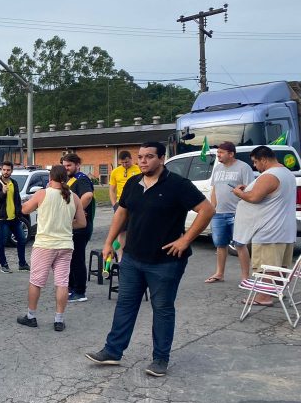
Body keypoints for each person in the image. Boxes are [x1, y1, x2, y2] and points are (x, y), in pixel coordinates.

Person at [86, 141, 214, 377]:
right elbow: (122, 213)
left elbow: (207, 210)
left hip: (166, 262)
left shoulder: (178, 185)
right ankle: (113, 351)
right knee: (125, 305)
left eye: (149, 157)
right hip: (133, 257)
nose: (143, 161)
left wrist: (185, 240)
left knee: (162, 309)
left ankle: (160, 359)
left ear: (162, 159)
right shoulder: (134, 183)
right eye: (140, 157)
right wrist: (108, 243)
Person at [17, 165, 86, 331]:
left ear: (50, 178)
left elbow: (24, 209)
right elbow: (82, 223)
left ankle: (31, 316)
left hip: (45, 245)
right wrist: (67, 224)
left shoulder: (42, 193)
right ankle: (59, 320)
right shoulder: (74, 197)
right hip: (65, 245)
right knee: (62, 282)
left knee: (36, 282)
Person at [233, 145, 297, 306]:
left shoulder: (270, 175)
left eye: (255, 162)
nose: (255, 166)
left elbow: (254, 197)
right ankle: (276, 292)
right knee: (279, 264)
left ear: (264, 159)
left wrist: (239, 193)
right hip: (284, 228)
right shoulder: (286, 173)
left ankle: (263, 297)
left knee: (265, 265)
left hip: (269, 229)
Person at [205, 141, 252, 283]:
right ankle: (219, 273)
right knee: (220, 244)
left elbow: (250, 189)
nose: (218, 155)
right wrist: (212, 208)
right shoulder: (218, 169)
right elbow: (214, 189)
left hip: (237, 213)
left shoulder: (243, 167)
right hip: (218, 213)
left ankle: (245, 277)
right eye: (218, 152)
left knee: (240, 244)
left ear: (231, 154)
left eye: (221, 152)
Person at [61, 153, 95, 303]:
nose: (66, 168)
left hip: (80, 228)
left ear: (77, 165)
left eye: (69, 165)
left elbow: (87, 195)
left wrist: (76, 211)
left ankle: (80, 291)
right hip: (71, 228)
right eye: (64, 165)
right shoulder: (69, 180)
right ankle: (71, 287)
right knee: (70, 259)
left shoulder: (81, 179)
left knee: (77, 259)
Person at [0, 162, 29, 274]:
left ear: (12, 171)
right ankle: (4, 265)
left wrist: (19, 213)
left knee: (22, 239)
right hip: (2, 219)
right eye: (4, 170)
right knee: (2, 242)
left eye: (8, 170)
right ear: (1, 170)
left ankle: (22, 264)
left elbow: (17, 199)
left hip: (14, 218)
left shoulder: (14, 183)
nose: (6, 172)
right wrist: (2, 192)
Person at [108, 150, 140, 257]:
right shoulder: (115, 172)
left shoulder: (139, 169)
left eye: (127, 162)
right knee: (121, 231)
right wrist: (114, 204)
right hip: (121, 205)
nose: (125, 165)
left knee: (136, 229)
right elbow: (112, 190)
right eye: (122, 163)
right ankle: (121, 256)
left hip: (136, 204)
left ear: (131, 159)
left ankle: (136, 253)